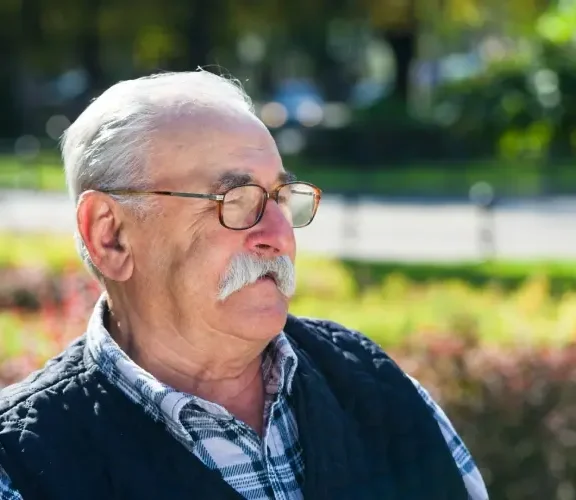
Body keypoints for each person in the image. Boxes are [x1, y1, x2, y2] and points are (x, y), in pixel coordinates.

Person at [0, 70, 488, 500]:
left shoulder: (374, 385)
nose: (279, 236)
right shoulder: (23, 463)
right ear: (111, 236)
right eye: (235, 199)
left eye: (281, 198)